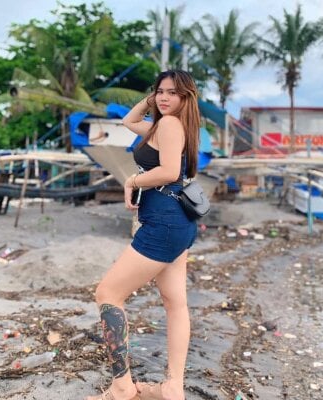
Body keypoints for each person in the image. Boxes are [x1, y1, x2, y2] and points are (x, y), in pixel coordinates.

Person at [85, 69, 200, 400]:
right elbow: (128, 121)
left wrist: (131, 181)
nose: (164, 98)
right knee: (175, 303)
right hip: (179, 222)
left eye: (172, 93)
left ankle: (122, 388)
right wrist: (153, 99)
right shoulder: (170, 126)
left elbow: (169, 171)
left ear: (186, 97)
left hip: (164, 224)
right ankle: (172, 387)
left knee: (108, 293)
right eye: (160, 91)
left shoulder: (170, 125)